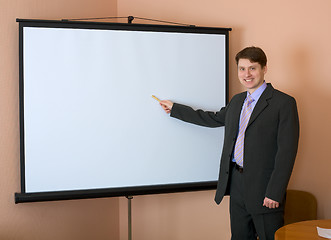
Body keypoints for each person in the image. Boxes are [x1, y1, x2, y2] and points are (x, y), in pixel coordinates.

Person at [159, 46, 299, 240]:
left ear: (264, 69)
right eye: (242, 69)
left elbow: (287, 152)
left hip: (265, 188)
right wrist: (176, 109)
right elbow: (213, 118)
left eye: (252, 68)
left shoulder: (283, 103)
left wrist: (275, 192)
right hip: (237, 184)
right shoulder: (237, 101)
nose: (247, 74)